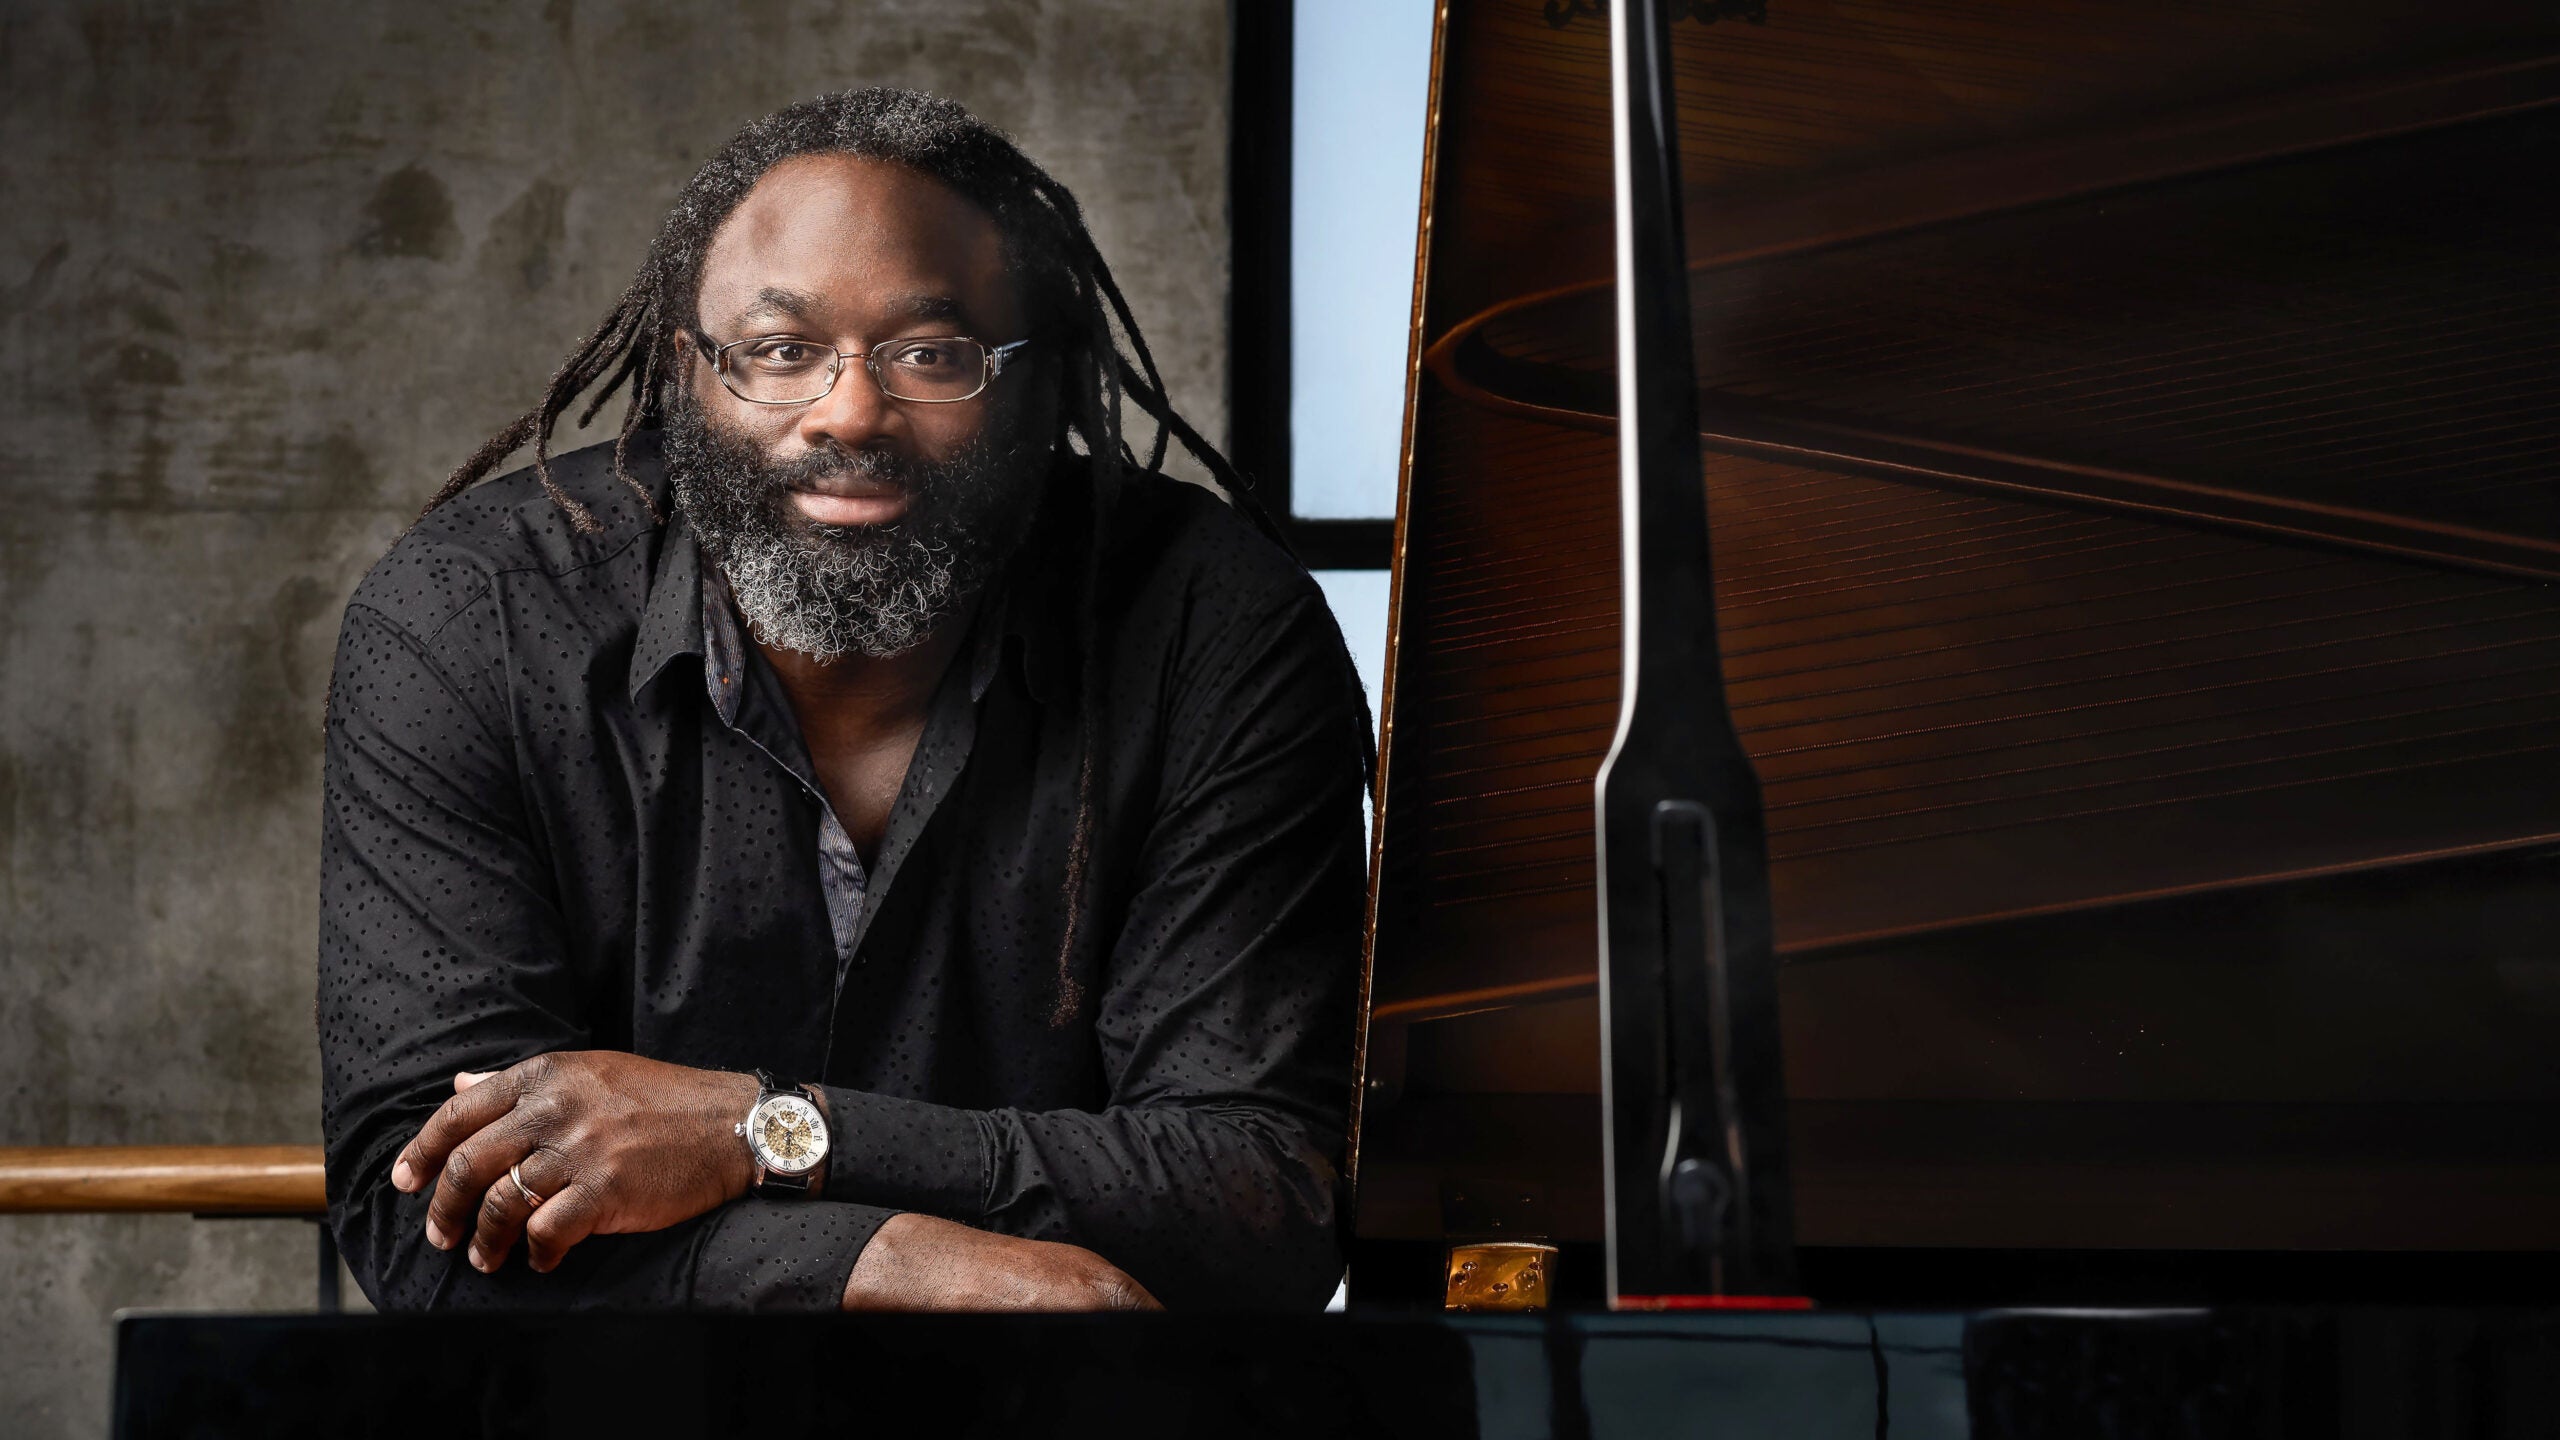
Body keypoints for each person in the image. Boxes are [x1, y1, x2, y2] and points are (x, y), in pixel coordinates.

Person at [315, 87, 1370, 1313]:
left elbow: (1260, 1192)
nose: (850, 410)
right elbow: (425, 1217)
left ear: (1034, 385)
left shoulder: (1207, 622)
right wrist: (895, 1263)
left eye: (932, 355)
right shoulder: (469, 620)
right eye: (779, 350)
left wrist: (765, 1134)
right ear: (687, 375)